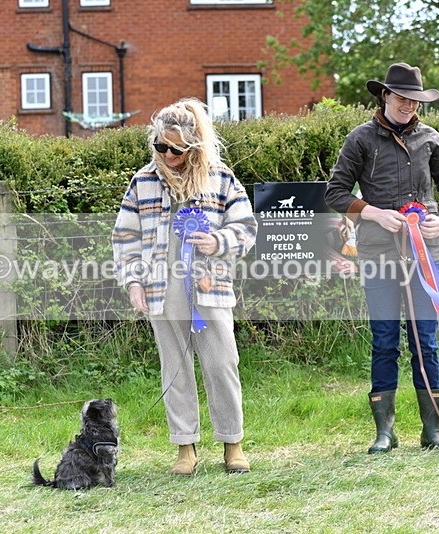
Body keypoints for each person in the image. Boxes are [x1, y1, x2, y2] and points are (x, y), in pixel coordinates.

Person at [112, 98, 257, 475]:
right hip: (161, 292)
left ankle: (232, 443)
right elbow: (125, 236)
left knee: (222, 365)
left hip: (210, 288)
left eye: (175, 148)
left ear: (194, 145)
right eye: (159, 145)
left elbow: (246, 227)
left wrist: (218, 242)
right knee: (174, 369)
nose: (166, 154)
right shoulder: (142, 181)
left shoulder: (220, 178)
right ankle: (185, 448)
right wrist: (132, 282)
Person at [325, 63, 439, 453]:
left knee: (426, 340)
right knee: (385, 340)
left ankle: (433, 430)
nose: (408, 105)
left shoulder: (431, 139)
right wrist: (371, 211)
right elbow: (334, 192)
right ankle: (384, 432)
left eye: (414, 99)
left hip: (425, 253)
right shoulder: (360, 139)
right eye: (401, 97)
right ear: (384, 95)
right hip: (377, 252)